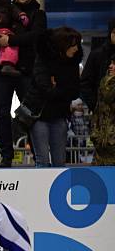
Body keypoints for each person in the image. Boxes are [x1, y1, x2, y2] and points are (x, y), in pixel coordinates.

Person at [0, 0, 46, 168]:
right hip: (2, 72)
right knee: (2, 113)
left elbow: (37, 36)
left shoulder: (38, 14)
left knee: (30, 114)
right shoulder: (1, 7)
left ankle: (39, 157)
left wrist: (10, 40)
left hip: (27, 72)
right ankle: (6, 156)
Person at [21, 26, 82, 168]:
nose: (76, 49)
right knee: (42, 160)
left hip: (59, 115)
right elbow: (46, 89)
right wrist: (63, 88)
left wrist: (57, 85)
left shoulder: (73, 62)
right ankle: (40, 190)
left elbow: (74, 92)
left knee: (59, 161)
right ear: (63, 45)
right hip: (38, 115)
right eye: (74, 45)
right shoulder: (42, 59)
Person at [80, 18, 115, 113]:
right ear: (110, 33)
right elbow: (85, 82)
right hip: (102, 111)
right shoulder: (98, 55)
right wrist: (95, 105)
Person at [90, 54, 115, 165]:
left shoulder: (106, 84)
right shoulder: (104, 83)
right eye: (111, 63)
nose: (110, 66)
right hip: (102, 143)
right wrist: (95, 132)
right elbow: (97, 112)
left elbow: (109, 97)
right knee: (97, 179)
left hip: (111, 141)